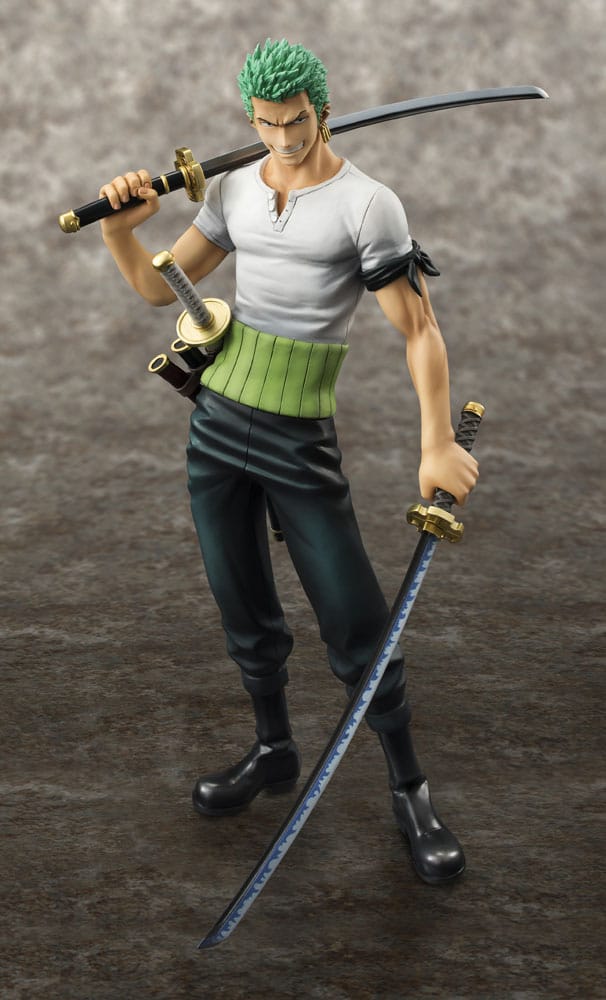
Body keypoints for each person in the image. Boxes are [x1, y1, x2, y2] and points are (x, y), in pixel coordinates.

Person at [99, 39, 478, 885]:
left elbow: (419, 329)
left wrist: (436, 440)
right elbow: (162, 288)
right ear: (250, 118)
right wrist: (124, 232)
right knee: (240, 600)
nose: (281, 139)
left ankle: (410, 789)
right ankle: (273, 748)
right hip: (216, 420)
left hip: (298, 435)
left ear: (323, 111)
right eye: (266, 124)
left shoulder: (368, 205)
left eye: (295, 122)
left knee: (354, 617)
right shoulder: (235, 187)